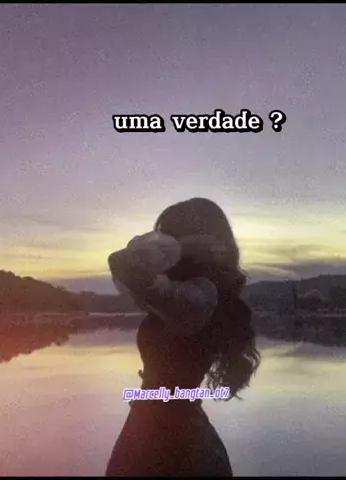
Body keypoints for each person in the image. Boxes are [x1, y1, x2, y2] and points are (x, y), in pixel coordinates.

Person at [105, 197, 261, 477]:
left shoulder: (199, 295)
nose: (159, 245)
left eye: (166, 237)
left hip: (169, 444)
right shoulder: (186, 291)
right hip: (159, 429)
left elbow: (122, 262)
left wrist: (186, 248)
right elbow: (122, 264)